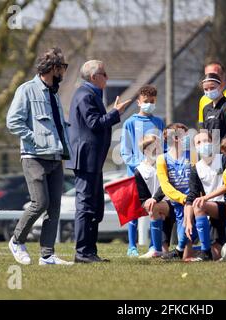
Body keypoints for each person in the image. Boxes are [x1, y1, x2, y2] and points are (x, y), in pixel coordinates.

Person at [6, 47, 73, 265]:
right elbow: (13, 121)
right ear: (53, 68)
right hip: (34, 156)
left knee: (54, 207)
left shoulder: (53, 95)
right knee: (40, 202)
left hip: (55, 156)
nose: (64, 73)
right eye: (62, 68)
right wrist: (35, 138)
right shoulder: (26, 90)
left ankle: (47, 255)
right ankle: (17, 240)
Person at [66, 60, 131, 263]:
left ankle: (89, 252)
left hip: (93, 161)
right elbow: (94, 123)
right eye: (104, 73)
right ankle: (82, 253)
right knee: (86, 206)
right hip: (85, 160)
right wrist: (115, 112)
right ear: (94, 77)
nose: (107, 77)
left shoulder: (91, 94)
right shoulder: (85, 95)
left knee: (95, 207)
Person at [120, 85, 165, 257]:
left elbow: (163, 148)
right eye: (146, 102)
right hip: (136, 174)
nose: (149, 104)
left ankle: (155, 245)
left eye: (152, 102)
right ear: (139, 102)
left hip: (155, 175)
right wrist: (139, 166)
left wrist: (160, 164)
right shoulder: (130, 123)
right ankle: (132, 246)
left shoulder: (159, 122)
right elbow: (126, 151)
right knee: (134, 210)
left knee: (155, 208)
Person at [184, 131, 226, 261]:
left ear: (212, 142)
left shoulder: (223, 159)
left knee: (199, 205)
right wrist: (188, 222)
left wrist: (206, 198)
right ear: (195, 147)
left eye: (206, 141)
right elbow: (191, 196)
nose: (203, 144)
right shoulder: (196, 168)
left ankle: (205, 252)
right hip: (211, 210)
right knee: (218, 255)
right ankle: (207, 252)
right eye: (199, 142)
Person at [157, 123, 196, 260]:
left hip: (193, 198)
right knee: (183, 229)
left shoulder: (193, 155)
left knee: (190, 226)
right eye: (184, 135)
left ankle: (182, 251)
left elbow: (198, 178)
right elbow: (165, 185)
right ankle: (182, 251)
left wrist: (191, 198)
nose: (187, 137)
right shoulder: (162, 159)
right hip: (178, 201)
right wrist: (182, 198)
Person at [133, 135, 171, 259]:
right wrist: (148, 205)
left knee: (155, 207)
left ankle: (156, 249)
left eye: (159, 146)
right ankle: (156, 249)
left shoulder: (167, 162)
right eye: (154, 147)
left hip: (173, 203)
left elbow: (167, 185)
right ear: (145, 150)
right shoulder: (139, 170)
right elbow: (143, 198)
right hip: (155, 207)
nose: (158, 149)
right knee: (153, 208)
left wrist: (155, 199)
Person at [198, 61, 226, 126]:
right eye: (208, 75)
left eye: (214, 75)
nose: (210, 78)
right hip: (214, 135)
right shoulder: (203, 99)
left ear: (223, 75)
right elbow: (203, 126)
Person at [201, 73, 226, 143]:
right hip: (211, 151)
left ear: (221, 86)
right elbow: (205, 134)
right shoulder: (206, 109)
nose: (209, 91)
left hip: (224, 151)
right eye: (206, 89)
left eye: (212, 88)